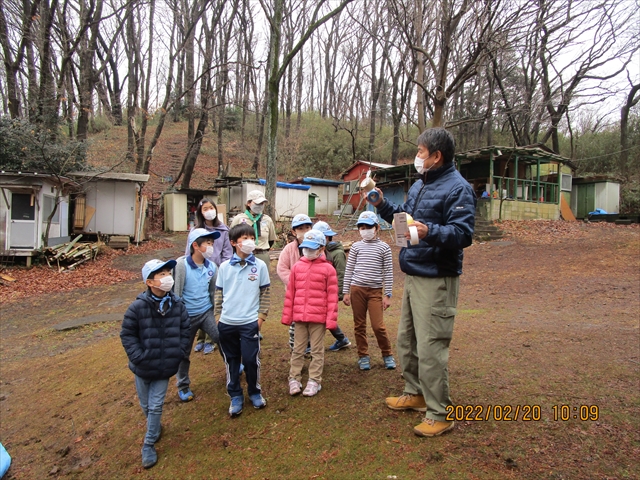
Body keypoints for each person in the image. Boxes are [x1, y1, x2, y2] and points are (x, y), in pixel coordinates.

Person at [371, 127, 475, 437]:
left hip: (437, 277)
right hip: (414, 271)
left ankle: (440, 412)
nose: (417, 157)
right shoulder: (419, 185)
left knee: (431, 347)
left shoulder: (459, 189)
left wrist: (432, 232)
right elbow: (405, 218)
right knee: (407, 339)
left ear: (436, 156)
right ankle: (415, 392)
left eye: (420, 152)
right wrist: (382, 205)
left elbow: (463, 234)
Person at [120, 259, 190, 469]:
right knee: (146, 406)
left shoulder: (177, 305)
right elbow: (127, 334)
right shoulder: (137, 307)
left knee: (156, 405)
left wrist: (178, 353)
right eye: (161, 274)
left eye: (168, 272)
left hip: (164, 367)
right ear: (150, 282)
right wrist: (138, 356)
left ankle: (148, 443)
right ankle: (155, 427)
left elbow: (185, 331)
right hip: (142, 368)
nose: (168, 277)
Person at [214, 224, 271, 417]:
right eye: (244, 238)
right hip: (227, 323)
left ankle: (254, 392)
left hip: (249, 323)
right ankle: (235, 396)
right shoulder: (223, 267)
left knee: (250, 360)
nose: (249, 242)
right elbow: (219, 294)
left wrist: (260, 318)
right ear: (233, 242)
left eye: (251, 237)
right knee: (231, 361)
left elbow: (265, 293)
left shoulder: (260, 266)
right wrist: (218, 318)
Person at [281, 229, 338, 397]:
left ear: (321, 248)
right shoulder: (297, 267)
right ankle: (294, 378)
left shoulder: (328, 269)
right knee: (297, 349)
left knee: (316, 350)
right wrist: (287, 316)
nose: (308, 251)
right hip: (299, 317)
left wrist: (331, 320)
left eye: (313, 248)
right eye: (306, 247)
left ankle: (315, 380)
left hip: (318, 318)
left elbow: (332, 297)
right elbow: (291, 293)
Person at [343, 211, 396, 371]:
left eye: (368, 227)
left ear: (377, 227)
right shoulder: (356, 247)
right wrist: (346, 292)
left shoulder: (384, 248)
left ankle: (387, 353)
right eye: (362, 227)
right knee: (359, 325)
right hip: (357, 289)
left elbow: (388, 272)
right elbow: (349, 269)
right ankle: (363, 355)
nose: (365, 230)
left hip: (375, 292)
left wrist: (387, 295)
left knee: (378, 325)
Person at [173, 228, 221, 402]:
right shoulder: (181, 265)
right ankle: (183, 385)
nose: (211, 246)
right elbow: (176, 292)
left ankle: (234, 366)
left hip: (206, 311)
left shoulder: (212, 266)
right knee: (183, 351)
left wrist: (216, 313)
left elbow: (213, 292)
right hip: (186, 315)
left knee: (221, 337)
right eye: (207, 243)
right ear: (195, 245)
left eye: (212, 243)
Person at [186, 199, 233, 355]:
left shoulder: (224, 230)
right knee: (201, 301)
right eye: (205, 208)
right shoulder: (195, 231)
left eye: (211, 207)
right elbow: (188, 252)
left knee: (214, 302)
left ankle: (209, 340)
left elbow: (227, 253)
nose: (209, 211)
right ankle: (200, 339)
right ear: (200, 212)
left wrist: (222, 269)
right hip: (198, 270)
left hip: (217, 271)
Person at [313, 220, 351, 351]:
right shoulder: (318, 252)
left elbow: (341, 274)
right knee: (322, 316)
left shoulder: (337, 253)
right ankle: (341, 339)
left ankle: (341, 339)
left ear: (328, 237)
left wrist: (339, 294)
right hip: (320, 291)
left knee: (324, 317)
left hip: (331, 292)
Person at [229, 190, 276, 267]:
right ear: (249, 203)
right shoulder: (239, 219)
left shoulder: (267, 220)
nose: (260, 205)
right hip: (243, 255)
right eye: (257, 203)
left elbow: (271, 240)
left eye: (262, 203)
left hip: (262, 255)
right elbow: (231, 237)